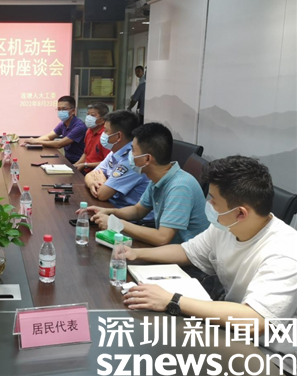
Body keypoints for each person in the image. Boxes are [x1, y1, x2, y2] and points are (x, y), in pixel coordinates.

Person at [121, 156, 297, 375]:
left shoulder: (285, 251)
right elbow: (187, 251)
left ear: (241, 213)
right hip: (232, 330)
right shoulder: (227, 226)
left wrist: (172, 300)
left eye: (213, 200)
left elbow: (255, 320)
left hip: (272, 355)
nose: (209, 205)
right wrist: (135, 253)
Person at [83, 122, 209, 246]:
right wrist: (109, 212)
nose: (130, 155)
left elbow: (162, 238)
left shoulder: (180, 186)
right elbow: (138, 210)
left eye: (133, 150)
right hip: (168, 248)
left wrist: (116, 223)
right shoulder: (158, 177)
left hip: (184, 255)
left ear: (147, 159)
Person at [84, 111, 151, 217]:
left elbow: (102, 194)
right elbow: (90, 175)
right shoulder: (115, 151)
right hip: (113, 209)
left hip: (131, 218)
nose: (103, 134)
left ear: (118, 136)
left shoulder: (133, 160)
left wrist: (103, 181)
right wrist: (92, 182)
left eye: (106, 131)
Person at [23, 95, 87, 164]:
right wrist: (32, 141)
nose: (61, 111)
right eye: (59, 109)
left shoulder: (79, 126)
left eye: (64, 109)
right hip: (67, 160)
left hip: (79, 163)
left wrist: (36, 142)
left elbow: (58, 144)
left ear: (73, 111)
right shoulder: (63, 124)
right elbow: (48, 137)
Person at [73, 102, 111, 173]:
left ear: (102, 120)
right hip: (85, 169)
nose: (88, 117)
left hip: (99, 172)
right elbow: (86, 153)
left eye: (92, 115)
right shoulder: (89, 131)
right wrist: (75, 165)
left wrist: (85, 165)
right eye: (88, 114)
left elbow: (108, 162)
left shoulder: (105, 136)